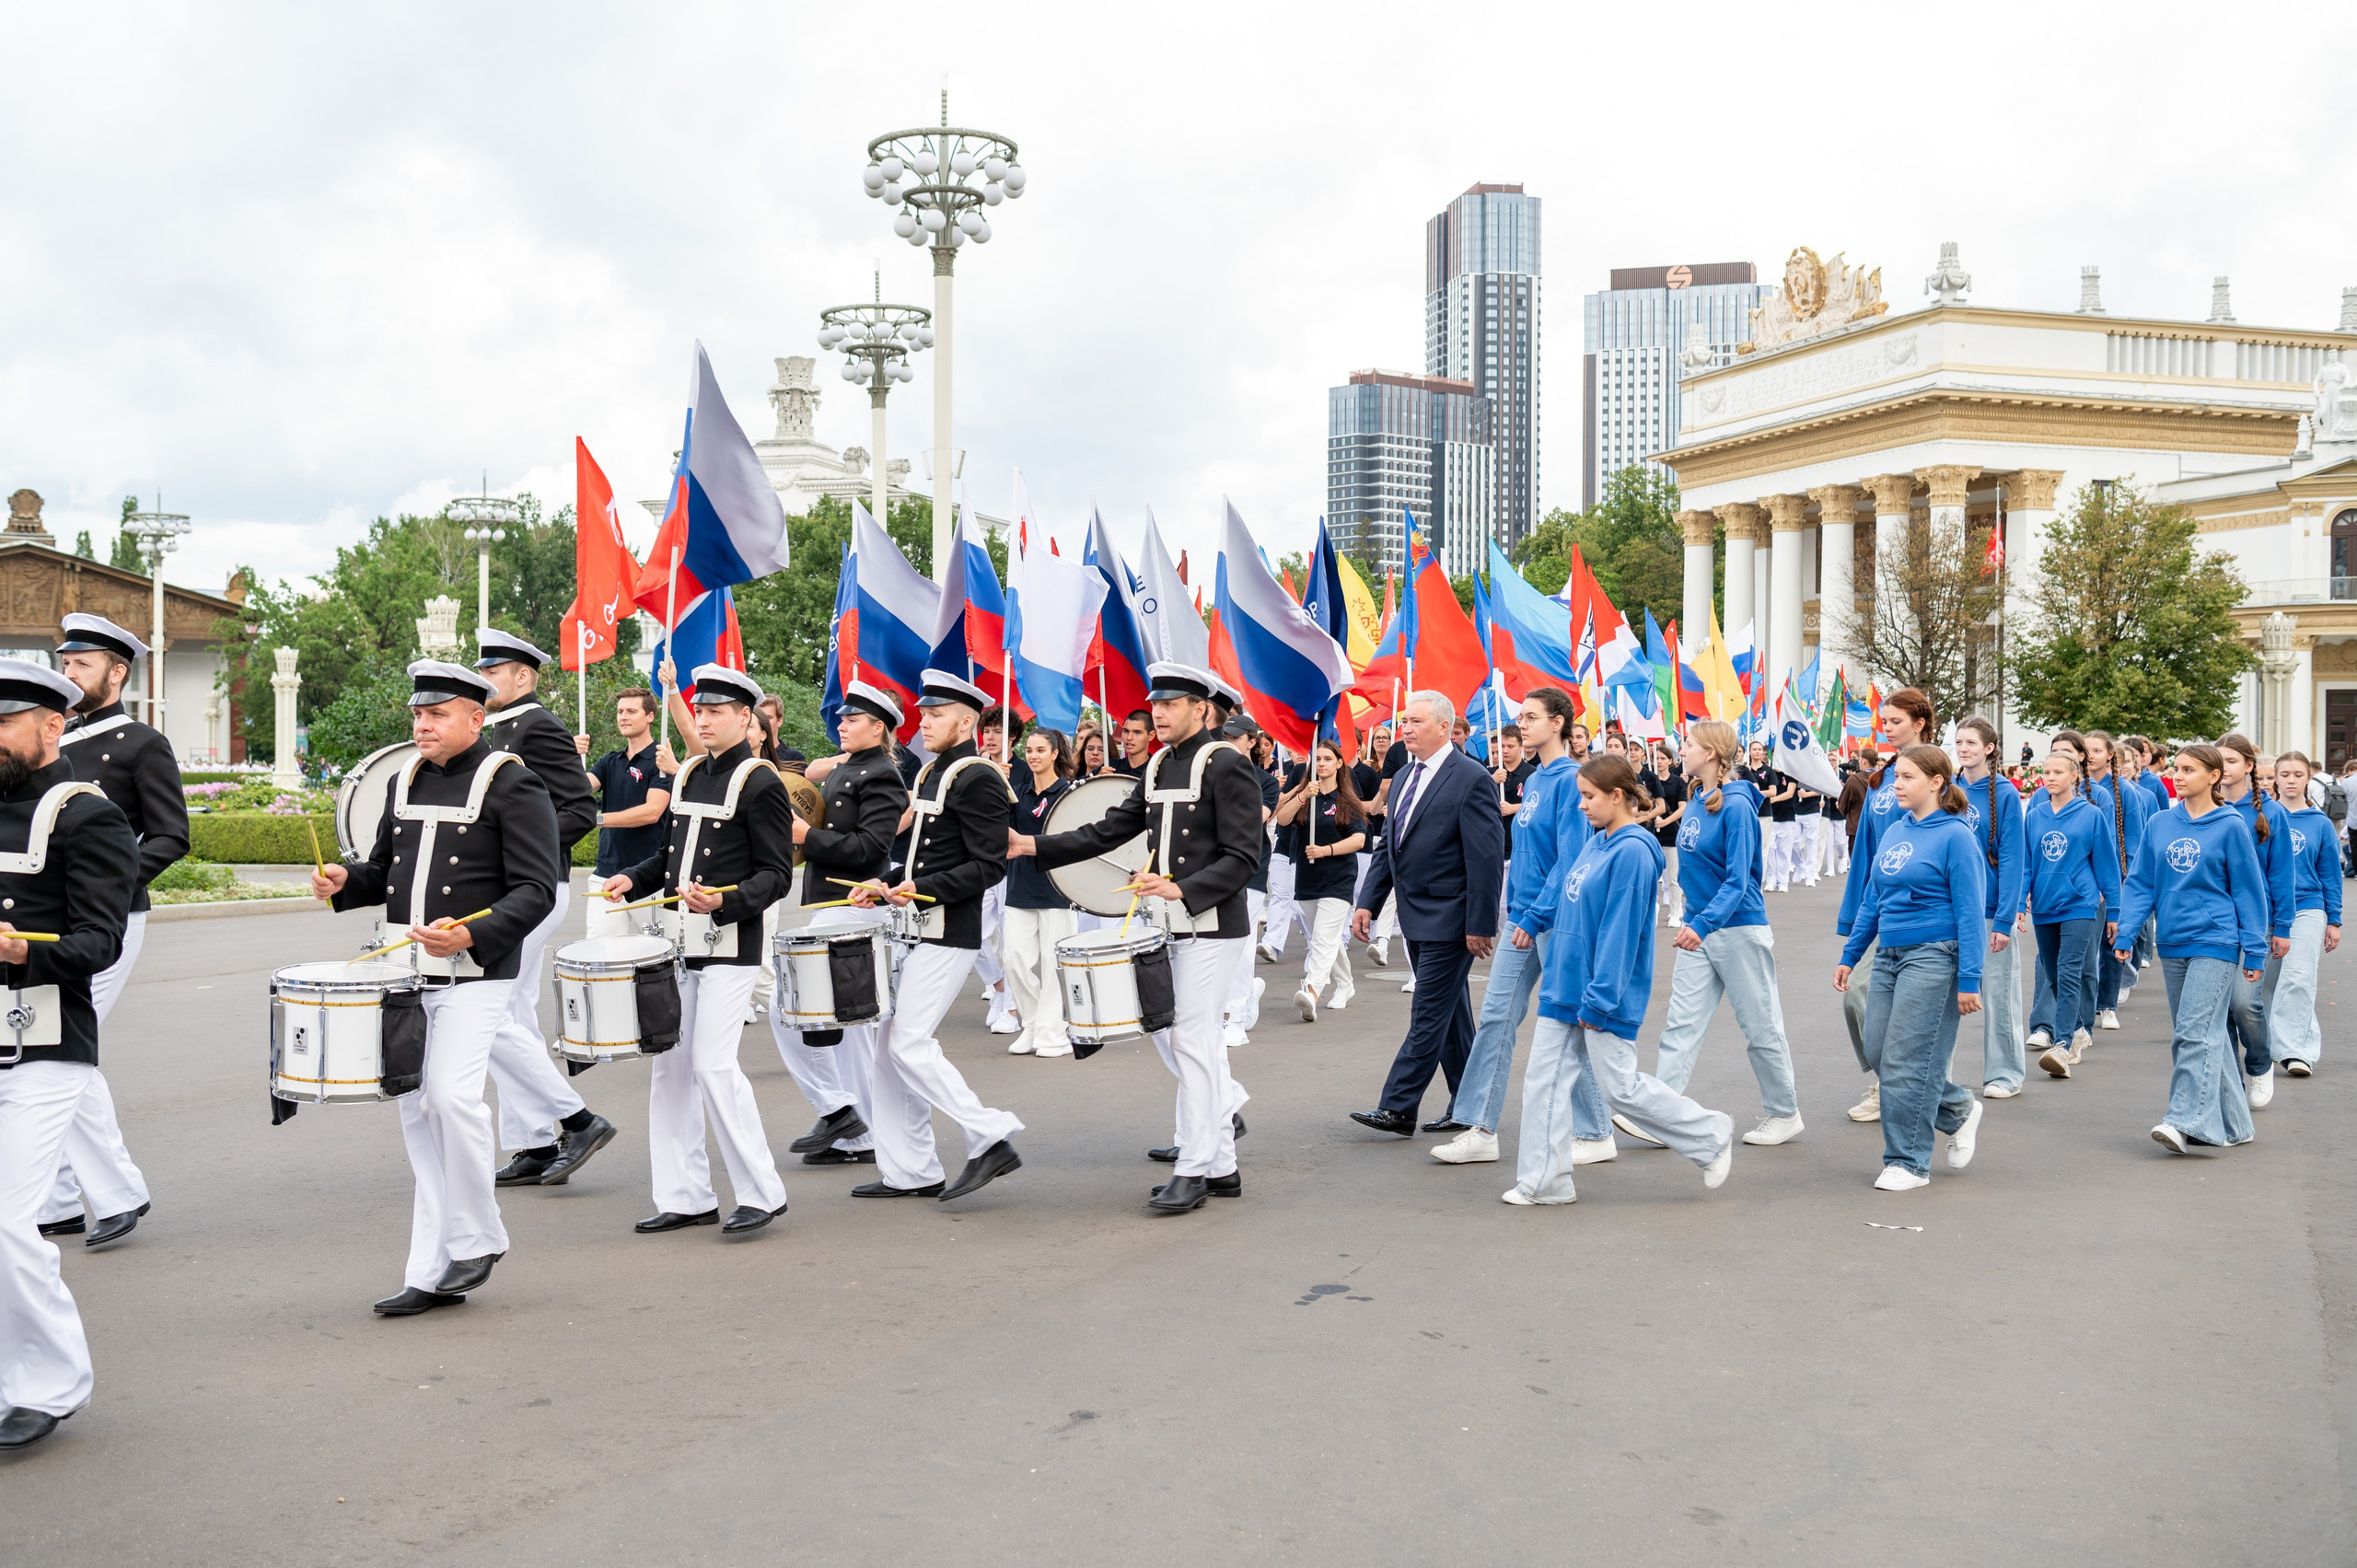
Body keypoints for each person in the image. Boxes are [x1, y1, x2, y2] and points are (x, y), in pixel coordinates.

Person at [315, 660, 562, 1312]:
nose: (422, 724)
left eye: (438, 714)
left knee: (451, 1101)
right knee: (418, 1118)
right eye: (419, 714)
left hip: (478, 974)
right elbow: (384, 872)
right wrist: (346, 881)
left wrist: (473, 933)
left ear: (476, 718)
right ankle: (430, 1269)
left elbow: (536, 890)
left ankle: (479, 1237)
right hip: (405, 972)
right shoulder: (403, 779)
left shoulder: (514, 782)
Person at [1019, 664, 1260, 1212]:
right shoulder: (1155, 766)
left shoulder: (1227, 765)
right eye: (1156, 703)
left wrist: (1183, 890)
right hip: (1167, 926)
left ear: (1201, 709)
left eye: (1171, 704)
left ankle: (1196, 1167)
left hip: (1212, 925)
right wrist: (1035, 846)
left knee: (1192, 1040)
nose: (1158, 712)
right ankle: (1221, 1165)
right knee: (1178, 1037)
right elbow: (1107, 829)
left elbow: (1245, 856)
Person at [0, 657, 140, 1448]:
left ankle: (48, 1384)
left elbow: (100, 940)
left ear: (52, 725)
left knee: (10, 1221)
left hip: (48, 1047)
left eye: (3, 722)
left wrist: (23, 954)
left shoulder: (88, 816)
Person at [600, 667, 793, 1237]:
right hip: (679, 943)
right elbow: (669, 858)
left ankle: (762, 1191)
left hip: (733, 944)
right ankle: (685, 1196)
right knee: (671, 1069)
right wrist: (632, 880)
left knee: (712, 1064)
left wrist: (725, 901)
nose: (704, 720)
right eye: (699, 711)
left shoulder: (761, 783)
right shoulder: (685, 775)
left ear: (744, 719)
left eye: (716, 712)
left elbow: (777, 875)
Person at [1508, 754, 1735, 1204]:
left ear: (1617, 796)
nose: (1581, 806)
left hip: (1600, 994)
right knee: (1542, 1082)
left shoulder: (1633, 851)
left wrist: (1601, 997)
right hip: (1565, 985)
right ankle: (1545, 1182)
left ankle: (1710, 1132)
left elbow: (1622, 933)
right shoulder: (1598, 841)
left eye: (1589, 797)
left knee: (1620, 1088)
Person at [32, 615, 185, 1249]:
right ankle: (62, 1197)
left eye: (82, 665)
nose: (68, 674)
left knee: (61, 1042)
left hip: (113, 915)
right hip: (48, 920)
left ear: (117, 672)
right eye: (65, 663)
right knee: (47, 1043)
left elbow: (173, 835)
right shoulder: (48, 738)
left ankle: (118, 1191)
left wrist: (111, 880)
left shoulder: (140, 743)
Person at [847, 671, 1026, 1202]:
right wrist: (889, 882)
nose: (923, 721)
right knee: (888, 1049)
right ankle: (911, 1170)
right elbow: (926, 853)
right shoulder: (931, 774)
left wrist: (918, 887)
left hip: (951, 930)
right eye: (923, 713)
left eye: (937, 714)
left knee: (907, 1041)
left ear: (967, 721)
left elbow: (989, 866)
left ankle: (989, 1134)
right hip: (916, 926)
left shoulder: (979, 777)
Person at [1433, 687, 1618, 1167]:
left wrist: (1534, 915)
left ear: (1558, 723)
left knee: (1567, 1023)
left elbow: (1571, 857)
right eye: (1521, 716)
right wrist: (1515, 910)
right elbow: (1527, 855)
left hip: (1557, 921)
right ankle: (1481, 1126)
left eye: (1531, 717)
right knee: (1498, 1016)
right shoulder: (1533, 782)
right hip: (1525, 917)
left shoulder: (1573, 778)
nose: (1523, 724)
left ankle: (1596, 1130)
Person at [471, 632, 617, 1190]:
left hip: (530, 887)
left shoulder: (538, 726)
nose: (484, 681)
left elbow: (579, 810)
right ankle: (534, 1141)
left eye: (493, 672)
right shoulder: (496, 729)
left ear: (524, 677)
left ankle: (576, 1121)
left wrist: (515, 847)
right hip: (503, 888)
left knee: (492, 1011)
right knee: (514, 1013)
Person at [1346, 691, 1507, 1139]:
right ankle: (1469, 1103)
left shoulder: (1470, 778)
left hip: (1451, 919)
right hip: (1414, 917)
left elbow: (1485, 859)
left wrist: (1479, 923)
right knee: (1452, 1018)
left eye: (1416, 721)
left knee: (1428, 1013)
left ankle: (1398, 1107)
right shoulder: (1400, 778)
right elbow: (1389, 850)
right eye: (1404, 721)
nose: (1406, 728)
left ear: (1443, 726)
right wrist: (1368, 903)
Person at [1834, 745, 1987, 1191]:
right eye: (1896, 776)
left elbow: (1970, 911)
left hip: (1935, 954)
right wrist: (1850, 955)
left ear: (1937, 782)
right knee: (1880, 1052)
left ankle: (1908, 1161)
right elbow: (1873, 900)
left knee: (1905, 1060)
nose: (1895, 785)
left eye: (1906, 777)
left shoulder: (1957, 835)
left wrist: (1969, 978)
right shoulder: (1896, 830)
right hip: (1888, 955)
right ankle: (1957, 1109)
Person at [1647, 720, 1802, 1145]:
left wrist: (1702, 924)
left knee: (1760, 1026)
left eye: (1689, 743)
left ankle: (1784, 1112)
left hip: (1737, 930)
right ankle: (1662, 1114)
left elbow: (1739, 881)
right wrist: (1698, 923)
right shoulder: (1697, 798)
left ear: (1711, 754)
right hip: (1701, 930)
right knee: (1680, 1025)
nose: (1682, 748)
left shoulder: (1736, 806)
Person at [772, 680, 905, 1166]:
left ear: (879, 727)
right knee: (841, 1028)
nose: (842, 724)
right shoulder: (844, 768)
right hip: (828, 905)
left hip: (855, 906)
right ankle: (853, 1127)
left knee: (799, 1010)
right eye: (843, 718)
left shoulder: (882, 776)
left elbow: (872, 850)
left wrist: (809, 834)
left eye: (852, 719)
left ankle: (844, 1115)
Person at [2110, 745, 2267, 1153]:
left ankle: (2185, 1120)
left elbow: (2249, 891)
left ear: (2213, 777)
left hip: (2217, 941)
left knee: (2192, 1033)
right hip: (2173, 941)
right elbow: (2142, 881)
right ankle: (2236, 1124)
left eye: (2188, 769)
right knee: (2206, 1033)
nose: (2178, 776)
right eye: (2176, 768)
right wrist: (2126, 933)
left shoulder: (2231, 825)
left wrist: (2254, 949)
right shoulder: (2161, 823)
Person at [1837, 691, 1934, 1123]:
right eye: (1885, 720)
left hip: (1923, 914)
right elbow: (1867, 854)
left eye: (1895, 720)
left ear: (1920, 722)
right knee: (1859, 996)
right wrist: (1854, 913)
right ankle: (1892, 1081)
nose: (1887, 727)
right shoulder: (1881, 780)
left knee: (1921, 1012)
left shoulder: (1936, 776)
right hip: (1878, 908)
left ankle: (1922, 1094)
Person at [2024, 749, 2121, 1080]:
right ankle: (2078, 1028)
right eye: (2045, 772)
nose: (2050, 778)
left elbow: (2108, 865)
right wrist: (2020, 900)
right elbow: (2026, 864)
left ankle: (2062, 1045)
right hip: (2044, 906)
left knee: (2068, 972)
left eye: (2057, 773)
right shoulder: (2034, 816)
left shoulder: (2091, 815)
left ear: (2074, 776)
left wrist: (2115, 911)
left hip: (2081, 904)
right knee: (2053, 975)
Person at [2215, 734, 2294, 1099]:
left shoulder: (2270, 812)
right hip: (2213, 921)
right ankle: (2230, 1078)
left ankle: (2260, 1063)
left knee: (2245, 1002)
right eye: (2219, 761)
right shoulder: (2205, 808)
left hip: (2258, 921)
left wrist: (2283, 926)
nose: (2224, 768)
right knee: (2218, 1008)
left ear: (2249, 767)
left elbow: (2281, 874)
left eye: (2232, 761)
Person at [1953, 718, 2028, 1098]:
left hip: (1988, 911)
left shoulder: (2005, 793)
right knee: (1942, 995)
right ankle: (1939, 1076)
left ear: (1989, 748)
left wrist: (2004, 918)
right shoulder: (1946, 787)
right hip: (1948, 910)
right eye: (1959, 741)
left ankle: (2005, 1073)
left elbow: (2014, 859)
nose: (1963, 748)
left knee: (1999, 996)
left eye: (1971, 742)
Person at [1276, 738, 1368, 1022]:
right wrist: (1302, 796)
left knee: (1324, 937)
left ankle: (1312, 990)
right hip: (1307, 877)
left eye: (1328, 759)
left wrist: (1327, 850)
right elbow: (1281, 820)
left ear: (1339, 763)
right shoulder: (1307, 795)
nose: (1322, 764)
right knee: (1324, 938)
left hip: (1338, 879)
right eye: (1317, 759)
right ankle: (1346, 983)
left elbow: (1359, 838)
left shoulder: (1347, 800)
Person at [1002, 726, 1079, 1059]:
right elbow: (996, 828)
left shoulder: (1069, 794)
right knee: (1014, 959)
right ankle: (1032, 1023)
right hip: (1020, 885)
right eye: (1029, 750)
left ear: (1054, 754)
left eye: (1039, 750)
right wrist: (996, 786)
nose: (1032, 755)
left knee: (1053, 964)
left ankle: (1051, 1034)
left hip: (1058, 888)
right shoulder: (1016, 794)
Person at [2267, 751, 2340, 1081]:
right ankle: (2266, 1045)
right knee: (2265, 984)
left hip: (2307, 908)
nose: (2291, 780)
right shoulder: (2263, 817)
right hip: (2266, 909)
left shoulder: (2320, 823)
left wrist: (2334, 919)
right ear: (2275, 779)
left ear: (2308, 778)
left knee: (2297, 978)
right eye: (2285, 774)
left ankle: (2296, 1051)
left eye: (2298, 774)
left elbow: (2330, 874)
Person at [577, 689, 673, 940]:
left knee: (660, 956)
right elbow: (577, 790)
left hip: (649, 876)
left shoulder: (662, 761)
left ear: (650, 716)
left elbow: (652, 812)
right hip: (606, 873)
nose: (623, 717)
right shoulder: (611, 761)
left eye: (631, 711)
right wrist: (571, 757)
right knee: (599, 956)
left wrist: (599, 819)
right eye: (620, 711)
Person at [2084, 731, 2154, 1030]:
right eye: (2085, 750)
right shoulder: (2078, 788)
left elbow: (2135, 839)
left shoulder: (2125, 791)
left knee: (2111, 938)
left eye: (2097, 750)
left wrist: (2128, 879)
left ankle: (2108, 1003)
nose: (2090, 756)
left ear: (2110, 755)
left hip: (2117, 872)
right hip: (2083, 876)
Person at [1643, 740, 1689, 924]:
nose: (1659, 761)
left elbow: (1682, 807)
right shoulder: (1650, 781)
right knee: (1652, 876)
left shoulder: (1677, 782)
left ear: (1670, 761)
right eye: (1657, 758)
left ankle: (1675, 912)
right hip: (1652, 833)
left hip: (1672, 834)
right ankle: (1652, 910)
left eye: (1663, 758)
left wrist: (1665, 820)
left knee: (1673, 877)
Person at [1111, 710, 1155, 778]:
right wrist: (1098, 780)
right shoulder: (1110, 767)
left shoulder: (1159, 771)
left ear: (1151, 736)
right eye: (1126, 731)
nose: (1129, 737)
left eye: (1137, 732)